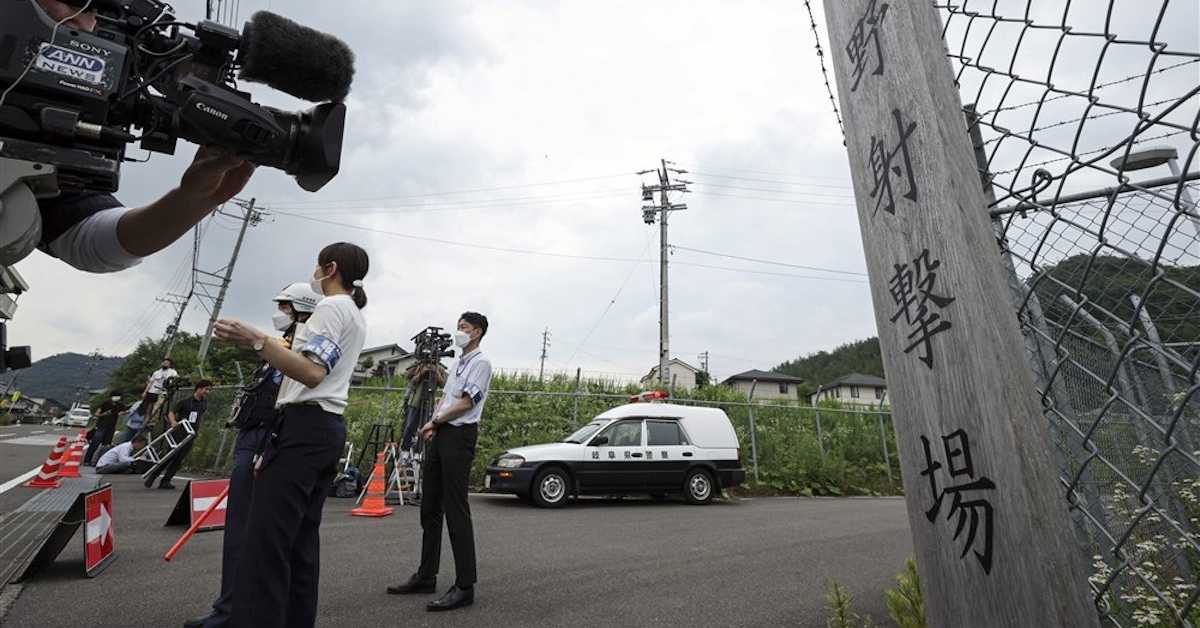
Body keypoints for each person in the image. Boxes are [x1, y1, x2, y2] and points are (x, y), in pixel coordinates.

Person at [20, 2, 256, 275]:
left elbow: (89, 240)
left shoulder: (54, 129)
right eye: (68, 1)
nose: (75, 19)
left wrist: (194, 199)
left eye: (90, 10)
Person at [214, 242, 369, 628]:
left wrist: (257, 339)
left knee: (266, 545)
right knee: (300, 543)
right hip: (323, 428)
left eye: (317, 266)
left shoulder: (332, 308)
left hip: (303, 427)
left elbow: (311, 371)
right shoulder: (353, 312)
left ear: (329, 268)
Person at [184, 282, 320, 628]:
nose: (280, 313)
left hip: (267, 440)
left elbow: (289, 397)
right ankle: (229, 606)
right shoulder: (281, 346)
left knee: (250, 534)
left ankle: (233, 611)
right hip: (253, 436)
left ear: (301, 309)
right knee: (241, 532)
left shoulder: (300, 346)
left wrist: (269, 444)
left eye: (286, 307)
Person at [388, 312, 493, 612]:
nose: (459, 332)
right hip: (442, 432)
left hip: (460, 437)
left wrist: (435, 419)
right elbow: (447, 400)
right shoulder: (459, 362)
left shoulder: (481, 363)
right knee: (430, 506)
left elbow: (466, 402)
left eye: (464, 328)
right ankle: (426, 574)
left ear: (477, 333)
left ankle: (464, 586)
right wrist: (435, 423)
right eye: (458, 326)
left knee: (456, 509)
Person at [147, 379, 213, 490]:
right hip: (180, 433)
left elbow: (200, 416)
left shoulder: (204, 403)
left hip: (191, 435)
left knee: (179, 459)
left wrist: (199, 429)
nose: (208, 392)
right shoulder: (186, 401)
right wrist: (173, 422)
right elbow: (171, 412)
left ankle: (166, 481)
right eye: (206, 389)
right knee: (169, 456)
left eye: (209, 390)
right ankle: (152, 477)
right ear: (199, 388)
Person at [84, 393, 126, 466]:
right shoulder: (105, 404)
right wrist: (105, 414)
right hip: (101, 426)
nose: (117, 398)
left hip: (111, 428)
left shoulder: (120, 405)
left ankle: (99, 462)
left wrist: (123, 413)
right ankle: (87, 460)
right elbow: (97, 414)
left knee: (106, 446)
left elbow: (124, 412)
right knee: (94, 444)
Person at [141, 358, 178, 425]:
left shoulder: (172, 372)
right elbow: (150, 383)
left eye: (167, 363)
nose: (165, 363)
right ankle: (144, 422)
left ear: (170, 365)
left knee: (156, 408)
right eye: (164, 362)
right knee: (148, 409)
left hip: (162, 392)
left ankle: (152, 422)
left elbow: (176, 379)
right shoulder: (156, 372)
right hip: (151, 392)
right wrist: (145, 392)